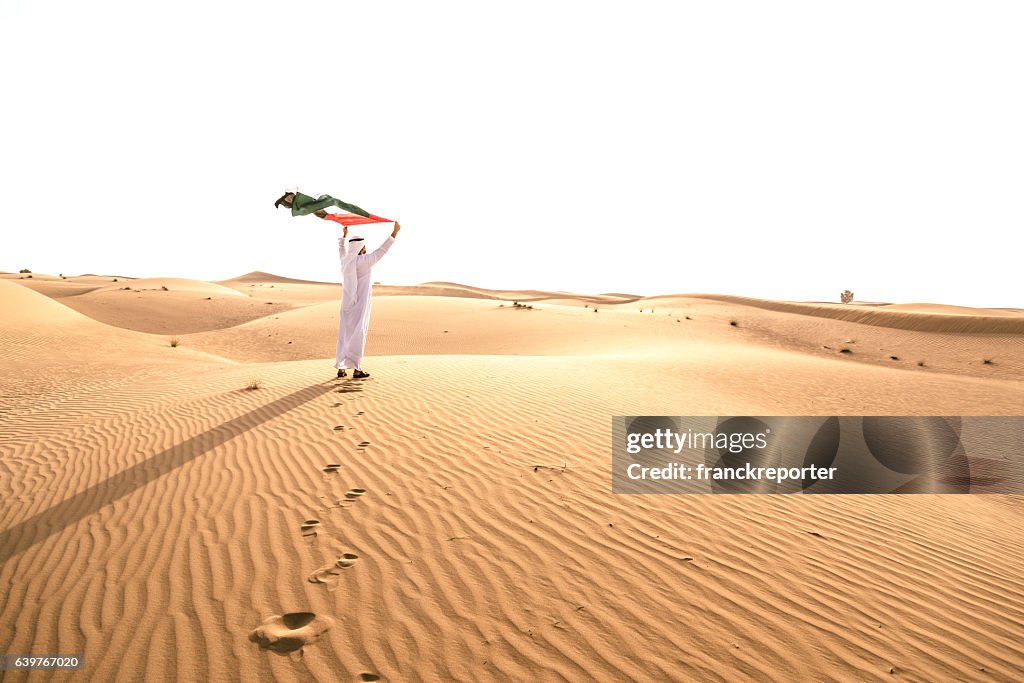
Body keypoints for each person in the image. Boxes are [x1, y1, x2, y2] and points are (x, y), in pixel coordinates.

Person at [334, 221, 402, 378]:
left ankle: (341, 368)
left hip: (346, 305)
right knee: (358, 334)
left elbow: (341, 250)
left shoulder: (346, 261)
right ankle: (357, 369)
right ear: (361, 248)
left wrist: (343, 237)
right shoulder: (365, 261)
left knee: (344, 334)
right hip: (360, 305)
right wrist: (395, 232)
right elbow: (383, 250)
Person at [274, 189, 371, 218]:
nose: (291, 198)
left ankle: (365, 215)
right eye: (289, 199)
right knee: (334, 201)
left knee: (327, 197)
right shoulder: (299, 208)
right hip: (318, 210)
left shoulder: (299, 198)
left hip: (318, 203)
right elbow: (307, 209)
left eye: (290, 196)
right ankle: (366, 215)